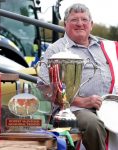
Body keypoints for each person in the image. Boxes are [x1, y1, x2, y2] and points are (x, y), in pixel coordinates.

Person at [37, 3, 118, 150]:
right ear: (65, 24)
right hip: (74, 110)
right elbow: (44, 87)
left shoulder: (105, 47)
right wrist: (83, 101)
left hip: (110, 106)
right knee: (92, 124)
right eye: (74, 20)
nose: (80, 24)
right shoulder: (55, 49)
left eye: (84, 20)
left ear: (91, 24)